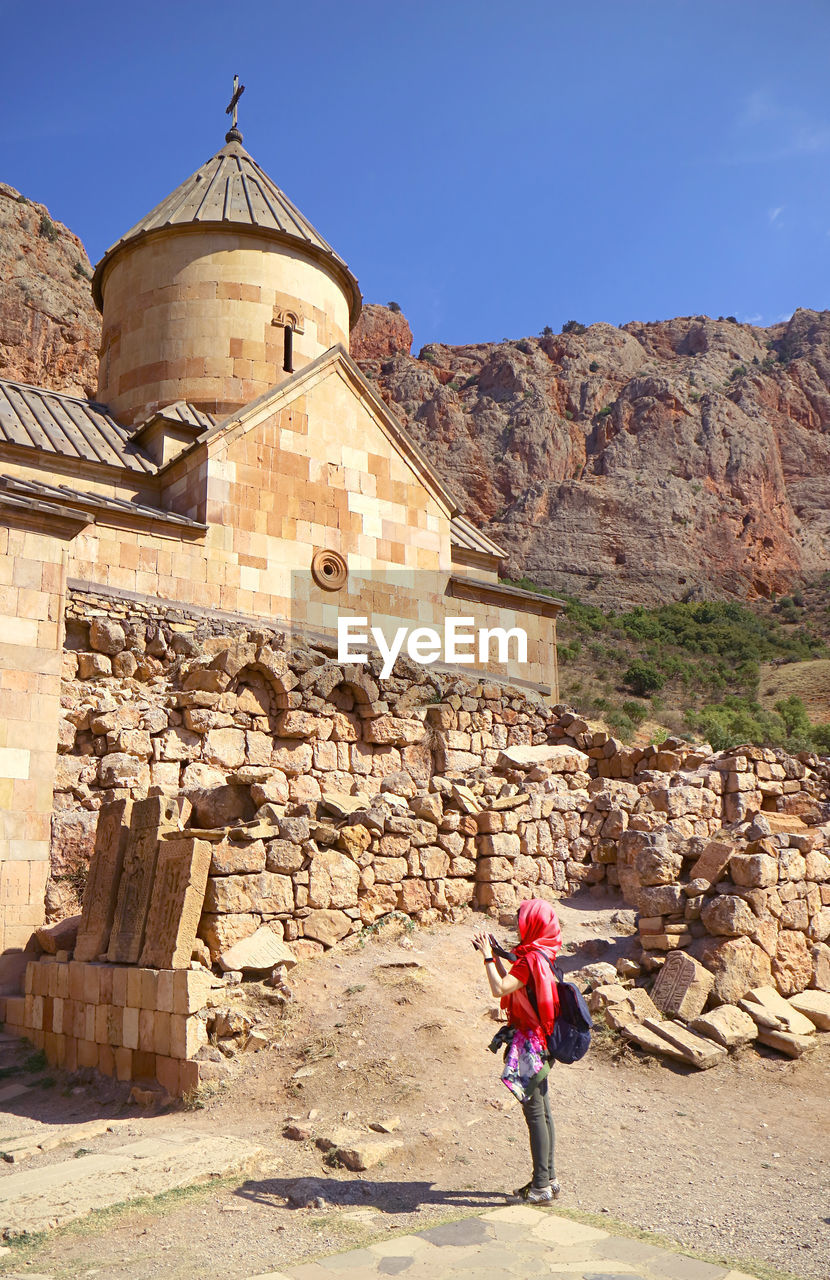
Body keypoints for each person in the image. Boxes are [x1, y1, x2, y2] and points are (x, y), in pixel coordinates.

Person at [473, 898, 563, 1203]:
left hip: (529, 1044)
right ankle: (548, 1179)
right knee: (543, 1110)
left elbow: (498, 988)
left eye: (521, 920)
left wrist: (487, 958)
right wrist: (497, 955)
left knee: (535, 1112)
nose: (518, 924)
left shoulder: (528, 961)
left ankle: (540, 1187)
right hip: (543, 1040)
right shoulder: (543, 954)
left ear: (532, 924)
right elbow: (512, 984)